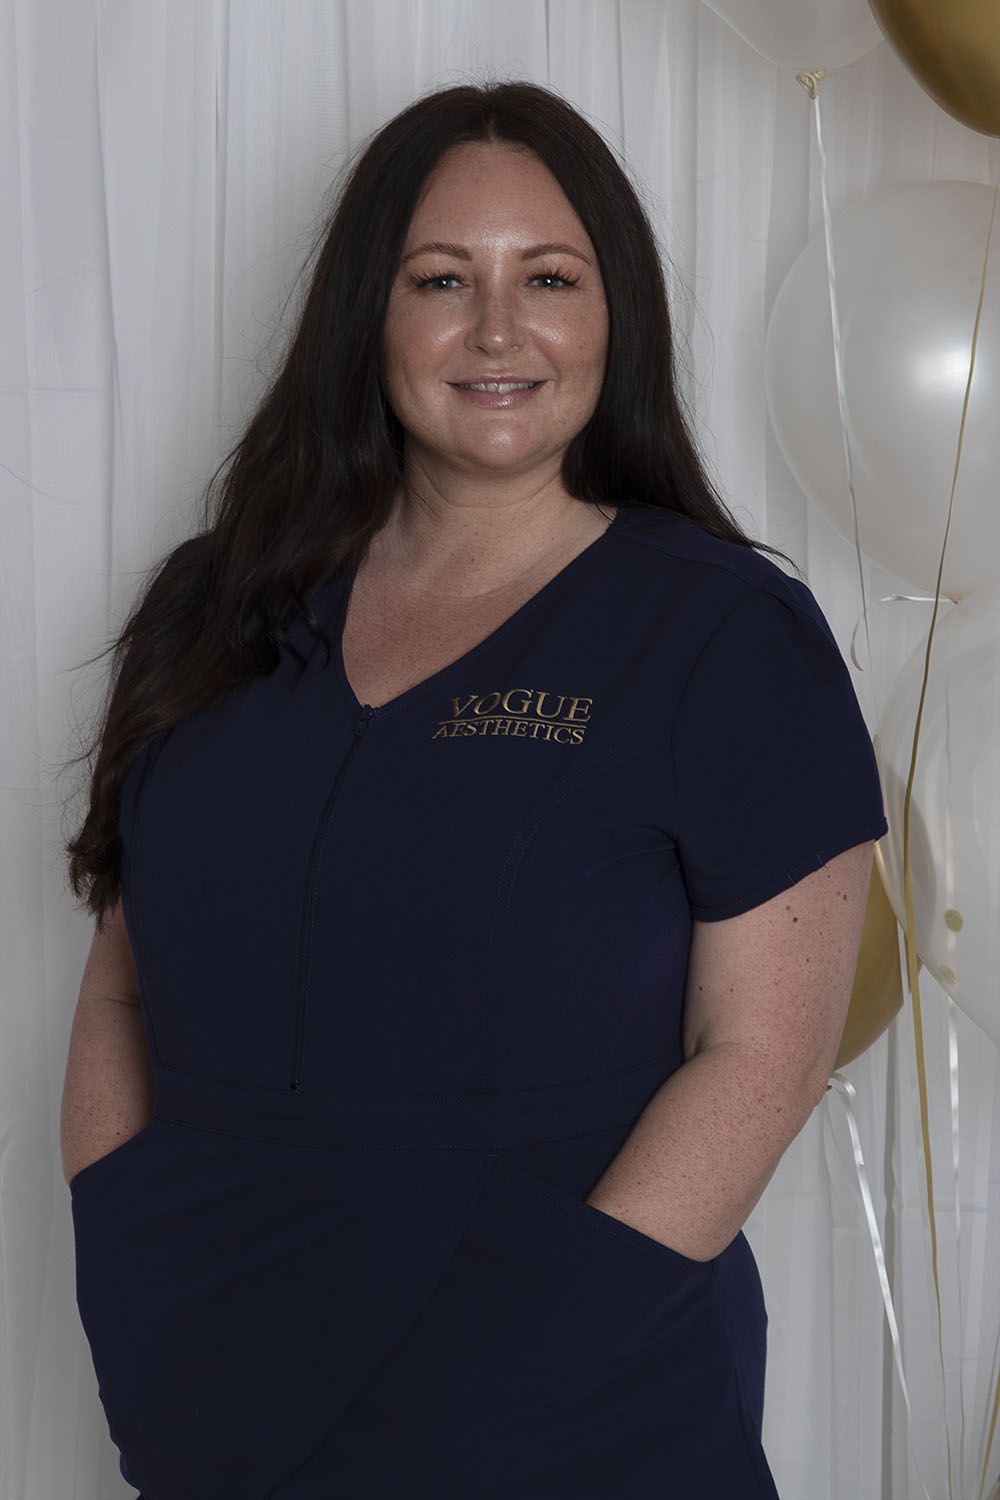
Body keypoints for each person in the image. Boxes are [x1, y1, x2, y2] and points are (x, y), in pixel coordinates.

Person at [60, 79, 888, 1499]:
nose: (498, 330)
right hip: (216, 1398)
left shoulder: (724, 632)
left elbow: (764, 1055)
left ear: (615, 316)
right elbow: (120, 986)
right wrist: (126, 1279)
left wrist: (532, 1365)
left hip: (572, 1412)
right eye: (442, 279)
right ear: (367, 317)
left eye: (549, 279)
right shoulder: (212, 609)